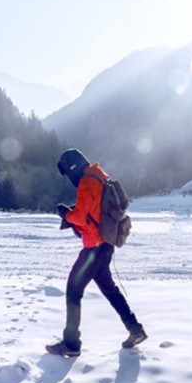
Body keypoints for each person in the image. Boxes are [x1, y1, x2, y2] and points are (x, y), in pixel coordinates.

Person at [47, 148, 147, 357]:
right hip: (105, 245)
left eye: (67, 173)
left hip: (94, 248)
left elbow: (82, 217)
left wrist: (67, 214)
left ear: (71, 168)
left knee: (73, 291)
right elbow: (93, 209)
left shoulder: (86, 182)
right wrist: (74, 213)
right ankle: (135, 329)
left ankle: (71, 344)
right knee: (110, 290)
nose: (69, 178)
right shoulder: (100, 176)